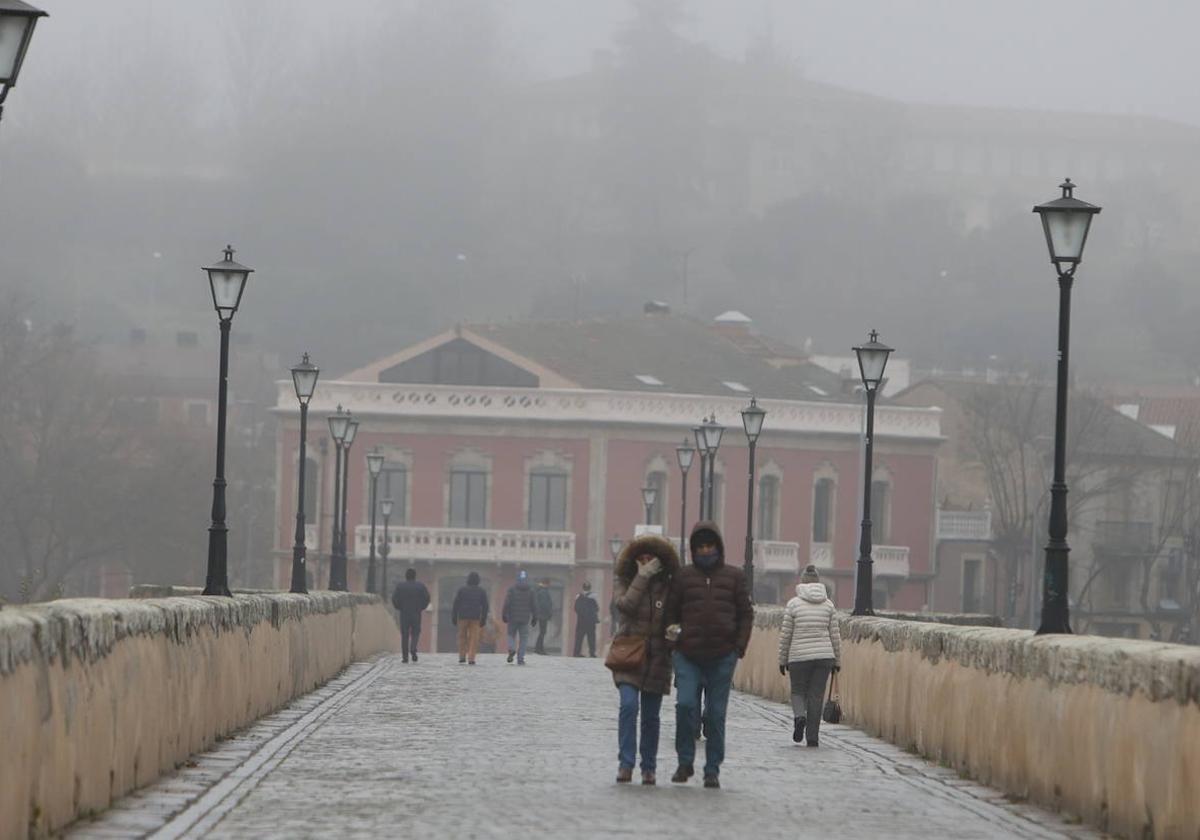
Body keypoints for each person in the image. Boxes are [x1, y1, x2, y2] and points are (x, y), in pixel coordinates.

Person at [665, 521, 753, 789]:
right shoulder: (683, 577)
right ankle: (685, 761)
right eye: (700, 546)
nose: (705, 551)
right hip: (688, 655)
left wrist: (738, 647)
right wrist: (673, 643)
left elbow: (746, 614)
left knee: (715, 714)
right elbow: (670, 614)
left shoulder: (734, 577)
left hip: (722, 656)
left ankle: (712, 768)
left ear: (718, 547)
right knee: (685, 706)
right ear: (694, 548)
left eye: (709, 545)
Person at [611, 535, 679, 785]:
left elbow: (675, 617)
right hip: (629, 654)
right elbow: (625, 606)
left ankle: (648, 766)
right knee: (629, 706)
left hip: (658, 657)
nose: (646, 563)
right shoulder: (624, 580)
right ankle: (625, 763)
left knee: (651, 716)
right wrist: (642, 577)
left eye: (651, 559)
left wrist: (674, 634)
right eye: (641, 558)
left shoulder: (669, 586)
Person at [778, 565, 842, 747]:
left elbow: (786, 635)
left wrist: (782, 660)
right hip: (824, 657)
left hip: (798, 656)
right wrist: (837, 661)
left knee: (798, 691)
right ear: (818, 582)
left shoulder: (793, 604)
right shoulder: (829, 605)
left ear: (802, 582)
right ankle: (812, 737)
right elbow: (835, 637)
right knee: (816, 696)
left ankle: (799, 717)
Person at [391, 568, 430, 663]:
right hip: (416, 613)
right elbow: (427, 598)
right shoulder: (420, 586)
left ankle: (405, 657)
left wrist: (399, 607)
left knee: (404, 635)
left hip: (404, 613)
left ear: (406, 576)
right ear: (415, 576)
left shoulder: (400, 586)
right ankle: (413, 648)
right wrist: (421, 607)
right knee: (415, 632)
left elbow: (394, 599)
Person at [451, 571, 489, 665]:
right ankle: (471, 658)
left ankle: (462, 656)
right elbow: (485, 606)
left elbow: (456, 604)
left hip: (462, 616)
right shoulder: (481, 591)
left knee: (461, 636)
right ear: (478, 581)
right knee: (474, 638)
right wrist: (483, 618)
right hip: (475, 617)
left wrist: (454, 616)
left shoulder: (461, 590)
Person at [502, 570, 537, 665]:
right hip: (525, 618)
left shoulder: (512, 589)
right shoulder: (531, 591)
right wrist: (535, 617)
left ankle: (511, 649)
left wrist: (504, 614)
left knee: (510, 635)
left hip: (512, 617)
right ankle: (520, 658)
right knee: (524, 638)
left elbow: (507, 603)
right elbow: (534, 605)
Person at [573, 581, 600, 657]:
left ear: (583, 587)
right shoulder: (593, 597)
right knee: (591, 638)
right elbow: (597, 608)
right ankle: (592, 653)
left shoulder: (578, 596)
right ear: (590, 588)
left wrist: (582, 614)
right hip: (590, 622)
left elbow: (575, 608)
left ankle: (576, 653)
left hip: (581, 621)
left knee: (579, 638)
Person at [534, 578, 555, 655]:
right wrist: (549, 613)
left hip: (541, 614)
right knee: (542, 632)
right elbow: (544, 604)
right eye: (549, 584)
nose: (549, 586)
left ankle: (539, 648)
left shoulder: (540, 590)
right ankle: (539, 649)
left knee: (542, 632)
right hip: (543, 615)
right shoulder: (543, 591)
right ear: (546, 583)